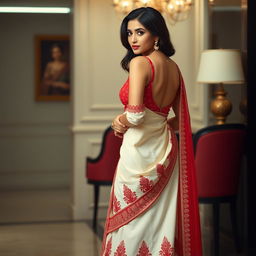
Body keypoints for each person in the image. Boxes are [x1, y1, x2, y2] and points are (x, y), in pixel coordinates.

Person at [101, 7, 202, 256]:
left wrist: (119, 119)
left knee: (131, 225)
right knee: (160, 222)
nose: (132, 39)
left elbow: (135, 114)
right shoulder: (173, 68)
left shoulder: (140, 63)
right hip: (165, 152)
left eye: (140, 32)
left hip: (139, 154)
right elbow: (179, 120)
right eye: (129, 33)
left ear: (156, 35)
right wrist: (161, 123)